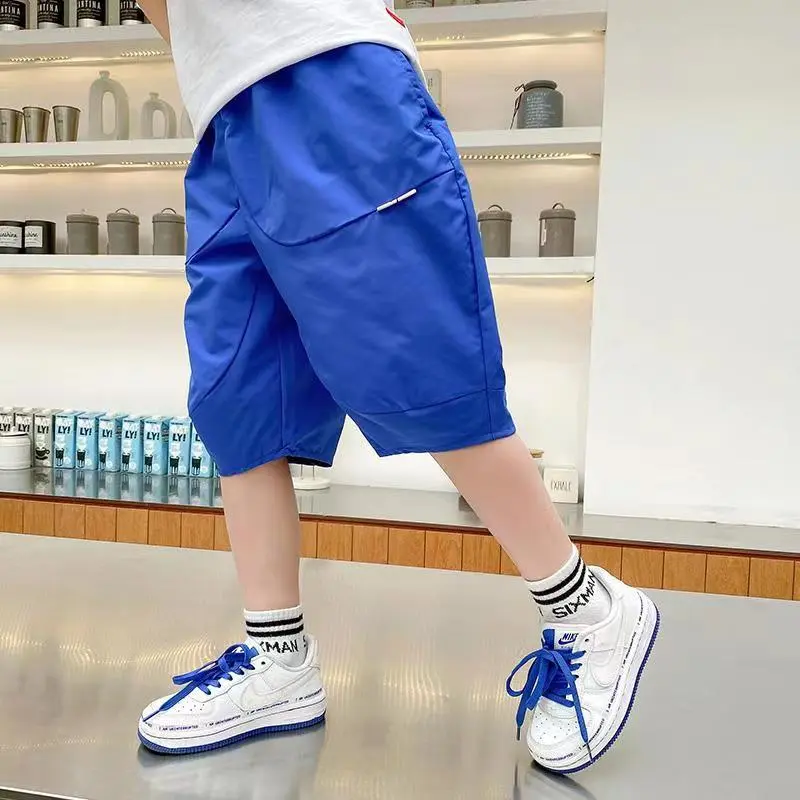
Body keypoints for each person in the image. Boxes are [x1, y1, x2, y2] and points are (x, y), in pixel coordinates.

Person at [135, 0, 659, 773]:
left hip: (325, 67)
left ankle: (587, 606)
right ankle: (278, 659)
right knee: (237, 395)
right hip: (221, 115)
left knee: (415, 360)